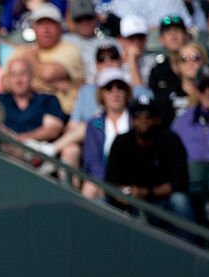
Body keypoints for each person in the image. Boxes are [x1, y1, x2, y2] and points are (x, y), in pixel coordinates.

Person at [105, 95, 193, 223]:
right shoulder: (122, 142)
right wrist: (128, 192)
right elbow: (111, 181)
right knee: (102, 203)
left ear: (157, 119)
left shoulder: (170, 140)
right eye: (138, 115)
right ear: (132, 120)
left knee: (180, 201)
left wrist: (145, 192)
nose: (143, 120)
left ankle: (186, 242)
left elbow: (178, 183)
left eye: (149, 115)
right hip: (131, 201)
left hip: (163, 200)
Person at [170, 64, 209, 228]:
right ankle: (188, 249)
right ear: (196, 89)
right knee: (177, 200)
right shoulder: (182, 121)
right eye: (203, 87)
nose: (208, 92)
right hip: (190, 180)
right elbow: (170, 155)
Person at [8, 4, 86, 115]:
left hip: (62, 113)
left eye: (51, 23)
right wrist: (52, 86)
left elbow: (47, 73)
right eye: (41, 24)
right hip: (27, 112)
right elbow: (5, 82)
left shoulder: (70, 49)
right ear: (33, 28)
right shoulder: (23, 50)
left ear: (60, 27)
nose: (46, 29)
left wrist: (30, 59)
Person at [80, 67, 133, 198]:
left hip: (133, 177)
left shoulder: (137, 120)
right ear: (102, 94)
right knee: (90, 187)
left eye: (120, 87)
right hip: (105, 179)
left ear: (126, 92)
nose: (115, 93)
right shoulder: (94, 124)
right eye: (109, 88)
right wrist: (108, 185)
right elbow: (92, 160)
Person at [152, 39, 208, 126]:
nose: (190, 63)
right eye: (184, 59)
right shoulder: (166, 95)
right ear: (177, 66)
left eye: (195, 58)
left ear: (204, 62)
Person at [117, 14, 155, 88]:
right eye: (131, 37)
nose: (137, 42)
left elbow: (141, 94)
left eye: (140, 37)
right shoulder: (112, 60)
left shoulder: (153, 63)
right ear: (121, 40)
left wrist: (132, 61)